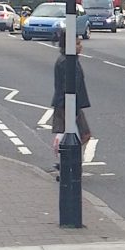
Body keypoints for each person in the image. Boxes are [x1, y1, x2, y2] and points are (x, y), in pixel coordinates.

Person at [51, 32, 93, 169]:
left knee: (79, 134)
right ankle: (67, 160)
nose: (80, 46)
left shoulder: (70, 60)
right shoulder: (67, 62)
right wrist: (71, 110)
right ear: (68, 45)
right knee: (79, 135)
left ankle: (67, 160)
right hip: (67, 105)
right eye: (77, 44)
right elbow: (68, 87)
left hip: (71, 104)